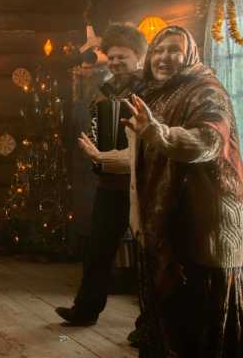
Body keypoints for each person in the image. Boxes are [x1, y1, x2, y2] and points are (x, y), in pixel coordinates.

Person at [122, 25, 243, 357]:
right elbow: (148, 153)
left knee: (199, 321)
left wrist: (158, 133)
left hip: (204, 220)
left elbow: (209, 141)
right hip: (167, 220)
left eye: (174, 50)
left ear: (189, 55)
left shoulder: (206, 91)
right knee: (170, 315)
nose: (164, 57)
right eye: (158, 50)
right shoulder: (156, 93)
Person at [55, 24, 147, 336]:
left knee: (146, 255)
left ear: (138, 56)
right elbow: (95, 122)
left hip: (143, 182)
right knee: (98, 248)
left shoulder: (150, 89)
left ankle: (148, 326)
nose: (116, 62)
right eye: (112, 57)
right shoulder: (104, 89)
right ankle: (85, 310)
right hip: (110, 181)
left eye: (123, 57)